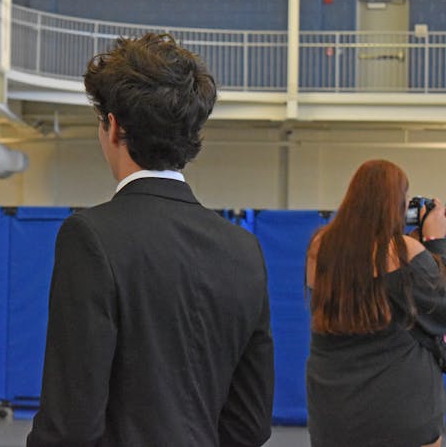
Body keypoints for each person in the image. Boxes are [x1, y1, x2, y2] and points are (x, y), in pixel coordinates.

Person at [26, 33, 275, 447]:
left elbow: (72, 421)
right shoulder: (243, 249)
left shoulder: (90, 237)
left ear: (113, 126)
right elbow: (251, 421)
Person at [306, 159, 446, 447]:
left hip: (334, 415)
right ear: (395, 204)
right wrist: (434, 242)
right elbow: (439, 310)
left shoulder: (320, 246)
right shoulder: (408, 252)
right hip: (401, 412)